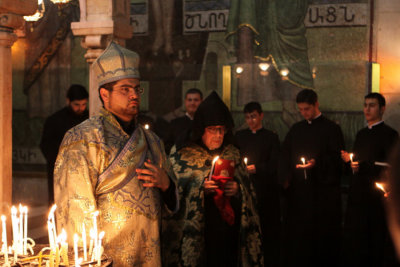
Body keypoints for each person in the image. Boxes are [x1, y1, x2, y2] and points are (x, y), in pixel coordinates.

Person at [54, 42, 178, 267]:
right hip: (107, 259)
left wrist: (167, 184)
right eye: (125, 89)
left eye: (136, 89)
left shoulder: (152, 141)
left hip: (151, 256)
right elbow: (75, 211)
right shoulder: (83, 139)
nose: (134, 95)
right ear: (105, 94)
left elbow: (174, 206)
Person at [163, 91, 263, 267]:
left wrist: (238, 189)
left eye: (221, 130)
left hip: (227, 234)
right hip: (200, 234)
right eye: (212, 130)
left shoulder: (232, 152)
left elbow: (250, 192)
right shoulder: (183, 155)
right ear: (201, 129)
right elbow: (172, 191)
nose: (218, 135)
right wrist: (199, 188)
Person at [279, 89, 344, 267]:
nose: (304, 113)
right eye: (300, 109)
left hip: (321, 197)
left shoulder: (332, 129)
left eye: (307, 109)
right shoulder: (296, 129)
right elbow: (285, 154)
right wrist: (285, 177)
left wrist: (317, 163)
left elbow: (337, 159)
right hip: (299, 196)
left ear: (316, 104)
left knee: (320, 243)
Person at [341, 93, 399, 267]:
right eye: (365, 105)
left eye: (372, 105)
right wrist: (350, 163)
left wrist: (364, 166)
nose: (367, 109)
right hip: (359, 196)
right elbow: (357, 162)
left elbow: (391, 167)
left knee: (377, 242)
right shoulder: (361, 134)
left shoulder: (390, 134)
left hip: (377, 198)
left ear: (382, 109)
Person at [235, 101, 280, 267]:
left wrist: (258, 169)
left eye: (253, 116)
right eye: (247, 117)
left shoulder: (271, 137)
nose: (251, 120)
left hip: (265, 189)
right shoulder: (239, 137)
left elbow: (275, 163)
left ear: (261, 115)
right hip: (245, 188)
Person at [40, 84, 89, 205]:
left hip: (84, 171)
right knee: (58, 202)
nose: (80, 108)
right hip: (60, 171)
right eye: (76, 105)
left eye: (84, 104)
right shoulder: (54, 121)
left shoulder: (90, 119)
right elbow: (46, 145)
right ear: (68, 101)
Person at [166, 88, 203, 152]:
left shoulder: (206, 123)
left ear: (201, 101)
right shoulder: (175, 124)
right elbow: (167, 146)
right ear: (185, 102)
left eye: (196, 100)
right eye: (189, 100)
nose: (192, 103)